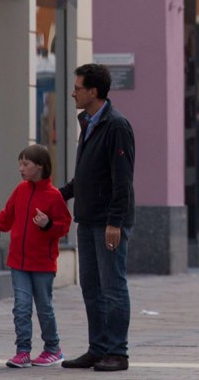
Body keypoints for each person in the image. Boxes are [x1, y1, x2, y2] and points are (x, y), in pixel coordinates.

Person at [59, 64, 136, 372]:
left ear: (93, 91)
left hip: (108, 221)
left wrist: (115, 221)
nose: (73, 92)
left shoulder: (116, 125)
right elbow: (86, 176)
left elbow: (122, 179)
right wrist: (59, 194)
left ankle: (118, 352)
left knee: (112, 287)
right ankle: (98, 348)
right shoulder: (89, 122)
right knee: (91, 287)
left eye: (78, 87)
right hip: (87, 218)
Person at [0, 144, 73, 368]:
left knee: (44, 307)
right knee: (21, 306)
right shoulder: (20, 190)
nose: (21, 168)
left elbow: (64, 226)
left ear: (40, 167)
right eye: (20, 163)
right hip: (18, 261)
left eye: (26, 164)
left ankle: (53, 349)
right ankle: (22, 351)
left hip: (43, 263)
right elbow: (8, 212)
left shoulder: (54, 196)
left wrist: (48, 225)